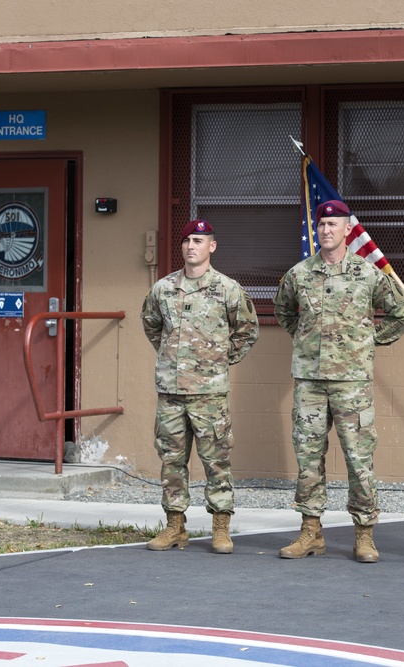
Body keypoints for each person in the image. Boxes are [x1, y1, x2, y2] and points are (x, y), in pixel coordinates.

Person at [273, 200, 404, 563]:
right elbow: (285, 312)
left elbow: (400, 313)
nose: (326, 231)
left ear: (348, 230)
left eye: (334, 225)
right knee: (308, 459)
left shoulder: (367, 274)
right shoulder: (299, 274)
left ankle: (364, 535)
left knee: (359, 459)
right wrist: (306, 341)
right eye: (321, 225)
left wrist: (368, 341)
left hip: (352, 383)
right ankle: (310, 533)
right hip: (310, 381)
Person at [140, 219, 259, 554]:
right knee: (171, 461)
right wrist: (172, 359)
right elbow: (151, 325)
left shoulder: (227, 289)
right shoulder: (163, 289)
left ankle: (220, 528)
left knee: (216, 461)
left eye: (198, 240)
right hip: (171, 393)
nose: (191, 246)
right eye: (187, 241)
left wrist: (218, 360)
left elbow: (247, 330)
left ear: (212, 246)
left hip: (209, 394)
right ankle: (175, 527)